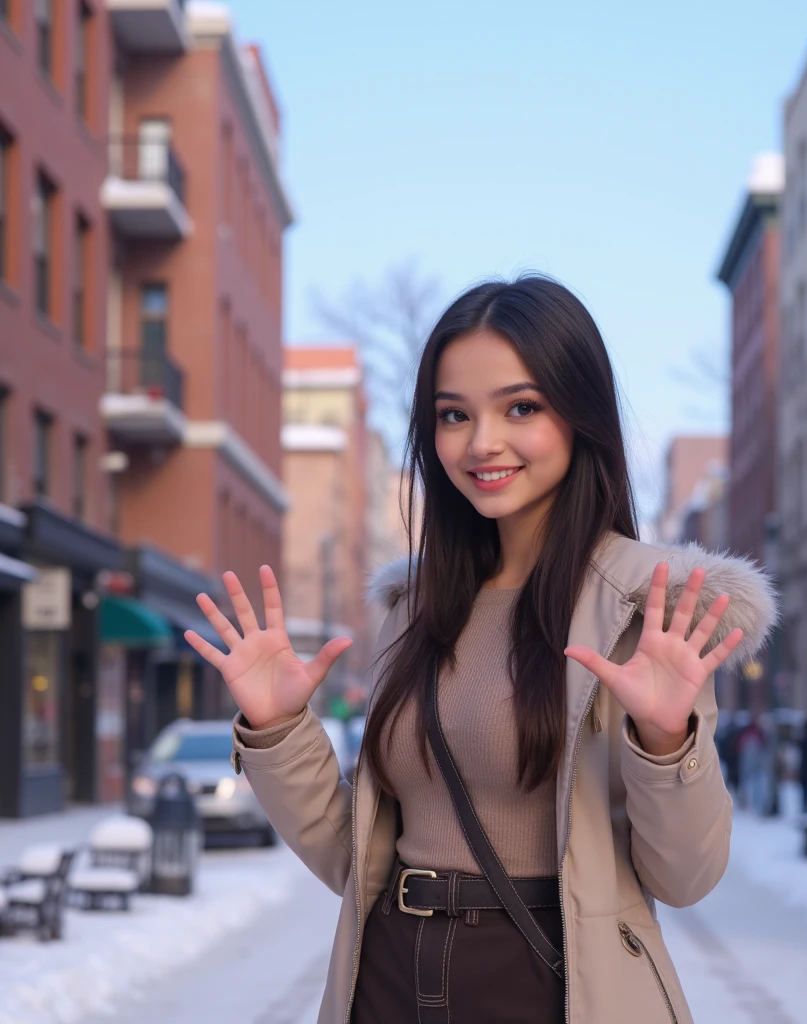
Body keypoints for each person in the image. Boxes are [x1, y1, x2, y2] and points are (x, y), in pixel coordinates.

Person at [184, 277, 777, 1023]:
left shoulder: (648, 609)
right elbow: (354, 861)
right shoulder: (420, 608)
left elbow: (685, 877)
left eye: (520, 407)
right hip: (391, 984)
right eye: (453, 415)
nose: (481, 442)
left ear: (580, 415)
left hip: (552, 991)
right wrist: (277, 730)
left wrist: (666, 741)